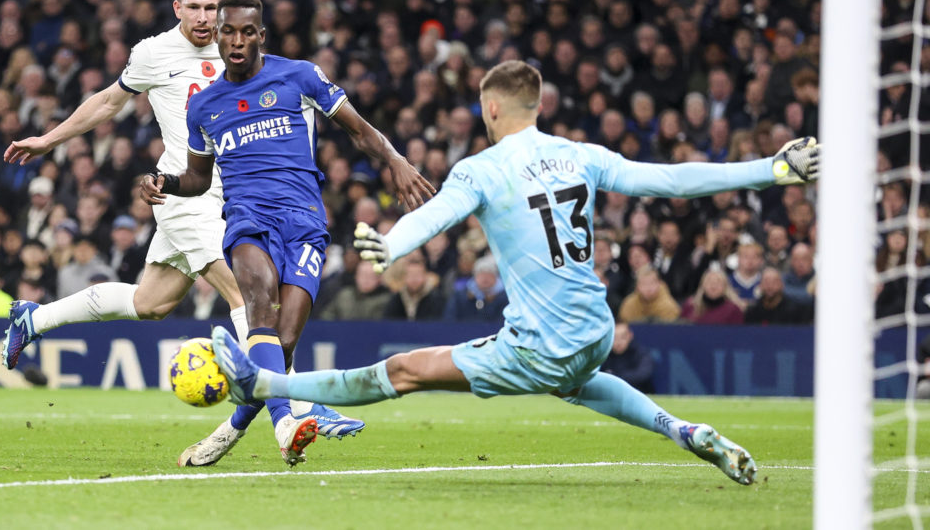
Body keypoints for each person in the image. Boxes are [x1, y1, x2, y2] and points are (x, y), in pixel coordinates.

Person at [208, 60, 820, 485]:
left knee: (402, 371)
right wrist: (771, 169)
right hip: (595, 328)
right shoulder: (580, 154)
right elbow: (671, 180)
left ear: (492, 107)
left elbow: (438, 215)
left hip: (539, 345)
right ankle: (683, 430)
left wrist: (391, 246)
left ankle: (263, 387)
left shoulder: (483, 168)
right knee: (577, 377)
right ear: (539, 106)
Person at [0, 0, 363, 466]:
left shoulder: (240, 51)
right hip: (182, 199)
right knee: (249, 296)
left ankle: (33, 318)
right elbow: (107, 103)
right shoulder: (153, 53)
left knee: (151, 303)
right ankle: (292, 411)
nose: (204, 17)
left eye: (211, 7)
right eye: (193, 7)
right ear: (177, 8)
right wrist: (49, 139)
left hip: (237, 198)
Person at [141, 0, 435, 467]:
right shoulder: (205, 107)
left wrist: (396, 160)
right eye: (227, 31)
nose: (236, 41)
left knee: (282, 343)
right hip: (247, 219)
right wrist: (163, 181)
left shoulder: (299, 76)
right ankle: (286, 425)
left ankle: (232, 428)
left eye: (246, 32)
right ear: (216, 36)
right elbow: (197, 179)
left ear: (261, 36)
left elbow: (359, 130)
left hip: (304, 221)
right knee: (260, 309)